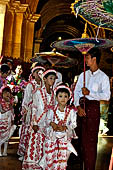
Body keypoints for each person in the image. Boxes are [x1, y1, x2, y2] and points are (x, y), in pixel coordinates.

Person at [74, 48, 111, 170]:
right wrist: (78, 107)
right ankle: (79, 165)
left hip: (93, 109)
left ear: (94, 59)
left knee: (90, 142)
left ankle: (89, 167)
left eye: (87, 57)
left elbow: (106, 96)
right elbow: (76, 92)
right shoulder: (83, 75)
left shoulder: (103, 77)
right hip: (81, 108)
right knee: (79, 141)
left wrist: (90, 93)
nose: (85, 60)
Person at [22, 69, 57, 170]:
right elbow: (34, 108)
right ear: (44, 79)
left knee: (45, 146)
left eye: (54, 79)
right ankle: (33, 166)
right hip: (38, 123)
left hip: (48, 124)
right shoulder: (37, 92)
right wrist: (34, 123)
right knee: (36, 145)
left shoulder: (54, 93)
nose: (53, 81)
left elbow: (54, 108)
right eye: (51, 78)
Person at [39, 84, 78, 170]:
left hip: (64, 138)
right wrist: (53, 124)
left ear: (68, 98)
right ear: (56, 98)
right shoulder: (51, 110)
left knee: (62, 158)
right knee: (50, 157)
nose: (63, 99)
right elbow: (47, 120)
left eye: (65, 96)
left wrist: (65, 127)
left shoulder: (71, 111)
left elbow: (74, 124)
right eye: (60, 96)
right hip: (52, 138)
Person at [17, 66, 45, 161]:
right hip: (30, 111)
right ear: (33, 74)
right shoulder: (30, 85)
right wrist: (25, 111)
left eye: (41, 72)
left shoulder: (44, 85)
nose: (39, 74)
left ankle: (35, 153)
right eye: (37, 72)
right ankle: (24, 152)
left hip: (40, 111)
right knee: (28, 130)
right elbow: (26, 99)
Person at [0, 86, 16, 156]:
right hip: (2, 120)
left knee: (7, 136)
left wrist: (12, 119)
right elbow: (2, 111)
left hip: (9, 119)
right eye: (5, 93)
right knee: (1, 135)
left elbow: (12, 112)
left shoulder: (11, 103)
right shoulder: (0, 102)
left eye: (8, 93)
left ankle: (5, 151)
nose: (7, 94)